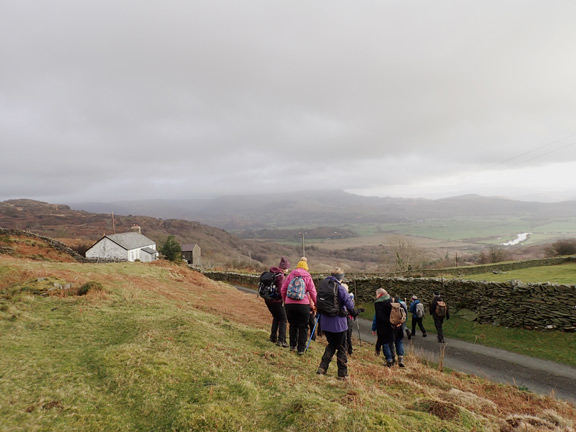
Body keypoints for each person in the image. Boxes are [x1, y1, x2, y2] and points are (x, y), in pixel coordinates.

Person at [316, 268, 363, 380]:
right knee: (341, 347)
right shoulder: (340, 288)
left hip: (325, 323)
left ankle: (322, 368)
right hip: (338, 324)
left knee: (331, 344)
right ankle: (342, 374)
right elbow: (349, 303)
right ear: (341, 278)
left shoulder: (323, 285)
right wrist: (354, 313)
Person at [281, 257, 317, 355]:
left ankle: (292, 345)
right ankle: (301, 349)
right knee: (303, 326)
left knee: (293, 325)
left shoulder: (290, 275)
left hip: (289, 304)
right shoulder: (307, 276)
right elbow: (313, 292)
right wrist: (316, 304)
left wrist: (285, 300)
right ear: (306, 268)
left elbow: (283, 289)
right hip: (303, 305)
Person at [264, 257, 290, 347]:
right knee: (283, 319)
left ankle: (273, 337)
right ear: (284, 268)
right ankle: (281, 340)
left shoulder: (272, 273)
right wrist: (285, 299)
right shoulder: (280, 276)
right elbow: (281, 290)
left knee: (276, 317)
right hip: (276, 300)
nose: (288, 269)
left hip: (268, 299)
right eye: (287, 268)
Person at [371, 288, 397, 367]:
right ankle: (394, 359)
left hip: (383, 326)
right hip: (392, 325)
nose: (376, 296)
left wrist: (375, 327)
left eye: (376, 294)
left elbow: (379, 316)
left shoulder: (379, 303)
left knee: (385, 344)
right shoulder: (391, 300)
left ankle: (389, 361)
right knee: (391, 343)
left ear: (379, 294)